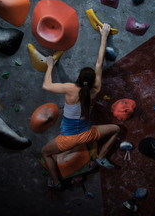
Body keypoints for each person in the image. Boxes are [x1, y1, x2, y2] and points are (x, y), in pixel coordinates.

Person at [41, 23, 120, 191]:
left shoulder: (71, 89)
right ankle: (101, 157)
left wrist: (49, 66)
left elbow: (47, 86)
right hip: (87, 134)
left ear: (77, 77)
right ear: (92, 83)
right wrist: (104, 36)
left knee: (45, 153)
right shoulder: (96, 90)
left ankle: (56, 183)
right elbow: (99, 63)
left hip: (68, 139)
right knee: (116, 129)